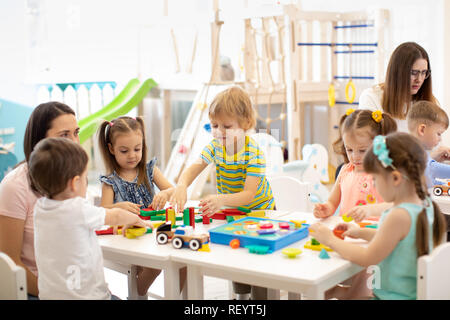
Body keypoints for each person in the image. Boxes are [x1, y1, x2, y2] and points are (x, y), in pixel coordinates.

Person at [310, 132, 447, 300]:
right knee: (334, 292)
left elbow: (367, 258)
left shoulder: (399, 215)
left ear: (395, 178)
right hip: (405, 295)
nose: (374, 184)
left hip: (392, 297)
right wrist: (360, 232)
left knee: (327, 292)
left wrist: (330, 240)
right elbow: (399, 241)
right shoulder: (425, 204)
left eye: (375, 179)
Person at [170, 86, 275, 300]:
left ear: (246, 124)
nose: (219, 132)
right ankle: (242, 299)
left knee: (258, 263)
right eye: (214, 125)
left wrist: (221, 200)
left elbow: (249, 195)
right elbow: (192, 169)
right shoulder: (215, 146)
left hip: (261, 213)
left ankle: (261, 300)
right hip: (235, 214)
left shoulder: (253, 153)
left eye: (227, 126)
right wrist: (181, 186)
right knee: (236, 257)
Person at [29, 137, 151, 299]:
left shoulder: (40, 208)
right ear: (75, 183)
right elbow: (115, 216)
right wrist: (136, 220)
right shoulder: (77, 208)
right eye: (85, 178)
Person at [0, 101, 80, 299]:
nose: (74, 142)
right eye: (64, 135)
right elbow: (9, 262)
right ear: (40, 141)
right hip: (37, 291)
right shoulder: (15, 186)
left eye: (76, 133)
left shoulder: (72, 179)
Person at [97, 115, 176, 297]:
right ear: (111, 149)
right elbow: (102, 211)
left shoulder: (149, 170)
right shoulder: (111, 181)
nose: (132, 155)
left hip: (152, 231)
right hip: (127, 237)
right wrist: (119, 207)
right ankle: (138, 294)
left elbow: (174, 190)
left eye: (137, 149)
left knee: (182, 263)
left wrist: (165, 193)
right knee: (155, 264)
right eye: (124, 151)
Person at [314, 109, 397, 222]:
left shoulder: (386, 172)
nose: (355, 156)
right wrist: (326, 209)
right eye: (349, 150)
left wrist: (369, 210)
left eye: (362, 150)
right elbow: (332, 203)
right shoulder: (345, 171)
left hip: (375, 234)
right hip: (347, 231)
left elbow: (397, 205)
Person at [358, 42, 436, 133]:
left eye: (424, 73)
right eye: (413, 73)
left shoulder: (430, 102)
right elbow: (367, 142)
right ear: (397, 73)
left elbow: (436, 143)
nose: (419, 79)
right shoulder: (371, 97)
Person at [407, 100, 450, 188]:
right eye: (438, 133)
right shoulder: (414, 152)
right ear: (422, 130)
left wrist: (441, 184)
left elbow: (427, 178)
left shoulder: (412, 148)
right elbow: (433, 169)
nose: (440, 139)